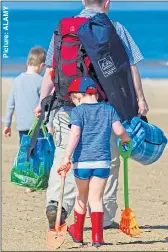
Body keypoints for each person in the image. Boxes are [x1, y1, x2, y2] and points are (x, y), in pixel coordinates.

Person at [34, 0, 149, 230]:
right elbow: (132, 67)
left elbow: (51, 69)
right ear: (107, 3)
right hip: (105, 106)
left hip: (67, 104)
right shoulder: (115, 28)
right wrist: (140, 99)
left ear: (83, 1)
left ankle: (58, 204)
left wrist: (41, 102)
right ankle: (104, 216)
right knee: (108, 158)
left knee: (64, 154)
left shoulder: (64, 28)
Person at [60, 76, 131, 247]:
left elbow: (75, 135)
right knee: (96, 199)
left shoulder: (78, 112)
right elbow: (120, 131)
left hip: (82, 163)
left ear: (78, 96)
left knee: (81, 197)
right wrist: (126, 140)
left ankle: (77, 234)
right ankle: (98, 239)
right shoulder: (108, 109)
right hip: (102, 163)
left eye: (72, 99)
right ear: (96, 95)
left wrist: (66, 157)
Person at [3, 47, 47, 192]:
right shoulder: (40, 81)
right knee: (38, 152)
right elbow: (44, 104)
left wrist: (7, 124)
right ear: (41, 65)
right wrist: (49, 122)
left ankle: (27, 181)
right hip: (37, 125)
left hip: (22, 125)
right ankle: (34, 181)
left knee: (26, 151)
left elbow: (10, 104)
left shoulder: (17, 80)